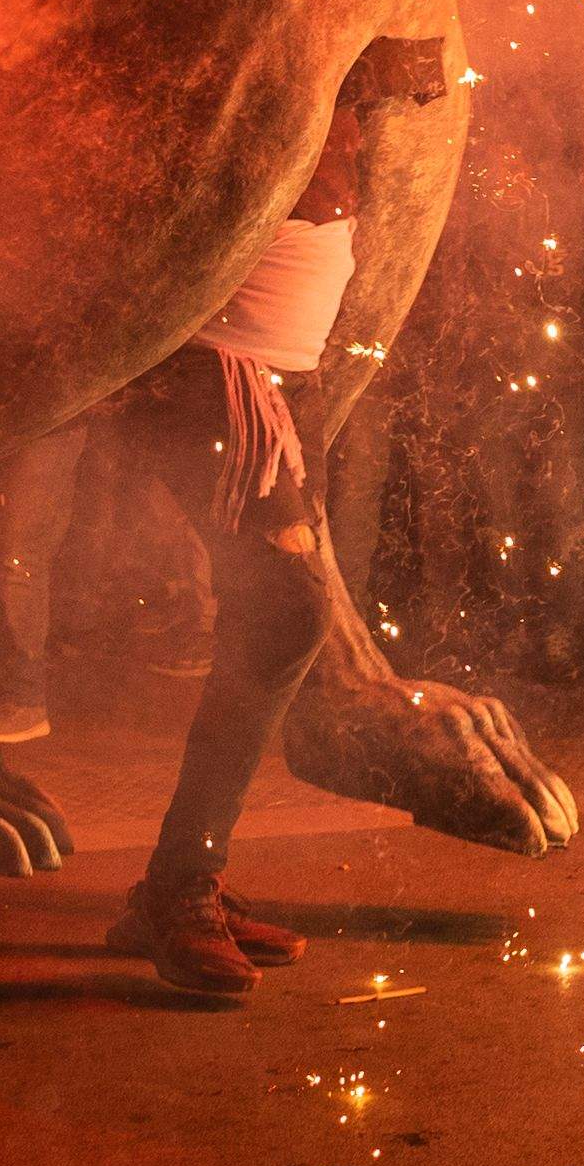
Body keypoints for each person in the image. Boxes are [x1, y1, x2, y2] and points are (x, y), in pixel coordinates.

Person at [106, 98, 380, 997]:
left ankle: (186, 875)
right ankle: (177, 887)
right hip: (210, 381)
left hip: (248, 388)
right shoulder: (263, 104)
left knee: (275, 620)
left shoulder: (340, 91)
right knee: (286, 612)